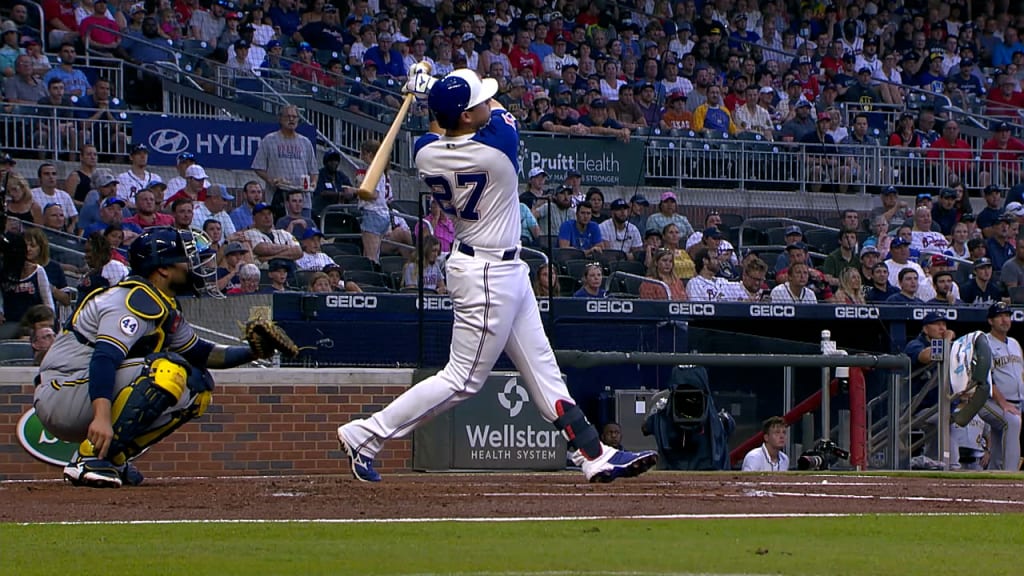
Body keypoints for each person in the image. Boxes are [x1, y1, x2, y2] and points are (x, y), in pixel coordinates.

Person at [338, 67, 657, 484]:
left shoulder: (425, 152)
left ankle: (591, 453)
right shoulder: (498, 147)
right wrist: (431, 89)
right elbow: (493, 115)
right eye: (478, 102)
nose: (488, 103)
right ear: (466, 116)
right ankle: (366, 434)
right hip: (487, 272)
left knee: (542, 368)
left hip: (501, 267)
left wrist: (425, 93)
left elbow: (440, 126)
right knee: (463, 380)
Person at [34, 227, 273, 487]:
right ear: (163, 269)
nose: (194, 266)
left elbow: (202, 354)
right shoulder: (131, 299)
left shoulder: (162, 303)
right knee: (167, 369)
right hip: (62, 392)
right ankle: (90, 457)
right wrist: (102, 418)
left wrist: (254, 351)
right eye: (186, 260)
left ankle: (113, 456)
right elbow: (104, 358)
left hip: (82, 392)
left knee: (198, 384)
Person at [251, 104, 318, 218]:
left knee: (304, 232)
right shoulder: (269, 140)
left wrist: (313, 183)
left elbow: (314, 171)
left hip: (303, 201)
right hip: (279, 199)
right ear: (280, 119)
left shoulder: (305, 142)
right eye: (288, 116)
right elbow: (258, 166)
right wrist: (271, 180)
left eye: (294, 117)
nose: (291, 119)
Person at [980, 302, 1024, 471]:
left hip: (1015, 401)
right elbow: (987, 379)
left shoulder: (1014, 343)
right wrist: (1003, 402)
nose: (1005, 320)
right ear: (991, 321)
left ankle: (994, 474)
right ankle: (1011, 473)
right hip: (988, 400)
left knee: (999, 439)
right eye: (1000, 316)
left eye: (1007, 315)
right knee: (1011, 422)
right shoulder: (985, 342)